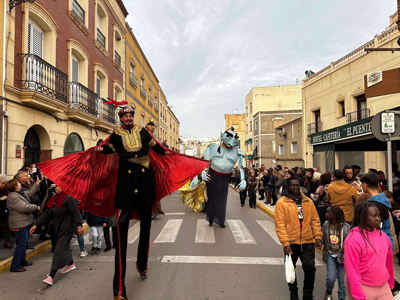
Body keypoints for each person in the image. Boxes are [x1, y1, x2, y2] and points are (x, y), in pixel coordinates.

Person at [95, 107, 168, 298]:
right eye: (125, 115)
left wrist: (170, 154)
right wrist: (99, 149)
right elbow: (108, 149)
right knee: (120, 229)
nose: (129, 118)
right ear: (121, 118)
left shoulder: (143, 132)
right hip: (126, 183)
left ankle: (142, 264)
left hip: (145, 180)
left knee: (146, 226)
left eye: (130, 115)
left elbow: (157, 148)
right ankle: (119, 290)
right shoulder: (115, 135)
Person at [275, 177, 322, 300]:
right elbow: (280, 225)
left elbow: (315, 220)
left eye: (297, 185)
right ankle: (293, 292)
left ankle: (308, 294)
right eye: (292, 186)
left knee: (310, 268)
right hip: (291, 242)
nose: (295, 188)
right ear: (288, 187)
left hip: (307, 241)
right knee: (290, 269)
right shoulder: (281, 203)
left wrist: (317, 236)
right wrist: (285, 243)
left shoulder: (308, 202)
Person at [31, 186, 83, 285]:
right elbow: (46, 213)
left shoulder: (69, 198)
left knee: (58, 250)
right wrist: (36, 224)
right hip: (56, 229)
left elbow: (76, 213)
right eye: (55, 186)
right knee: (64, 247)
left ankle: (51, 276)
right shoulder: (54, 198)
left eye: (59, 186)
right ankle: (71, 264)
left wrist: (79, 225)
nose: (56, 188)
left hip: (67, 229)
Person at [344, 202, 394, 300]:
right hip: (362, 286)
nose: (378, 218)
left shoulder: (383, 236)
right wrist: (359, 296)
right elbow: (352, 270)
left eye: (378, 215)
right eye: (374, 216)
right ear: (362, 218)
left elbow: (389, 262)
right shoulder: (353, 239)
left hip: (383, 286)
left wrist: (390, 284)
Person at [201, 127, 246, 228]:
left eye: (235, 137)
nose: (232, 139)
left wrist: (243, 179)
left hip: (225, 178)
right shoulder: (212, 147)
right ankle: (211, 219)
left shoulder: (238, 153)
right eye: (229, 136)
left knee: (222, 200)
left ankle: (221, 220)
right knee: (211, 198)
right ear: (222, 136)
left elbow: (240, 169)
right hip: (211, 176)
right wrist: (202, 171)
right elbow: (204, 163)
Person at [6, 177, 41, 272]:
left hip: (23, 223)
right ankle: (15, 266)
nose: (20, 184)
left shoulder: (19, 193)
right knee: (21, 245)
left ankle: (23, 261)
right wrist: (37, 207)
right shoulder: (13, 197)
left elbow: (30, 193)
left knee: (23, 243)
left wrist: (37, 183)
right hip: (19, 224)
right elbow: (24, 208)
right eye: (18, 183)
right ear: (15, 187)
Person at [321, 206, 350, 300]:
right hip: (330, 254)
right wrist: (319, 242)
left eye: (328, 212)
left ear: (334, 214)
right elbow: (323, 237)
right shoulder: (326, 225)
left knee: (342, 280)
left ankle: (341, 297)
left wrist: (345, 257)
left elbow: (348, 243)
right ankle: (328, 292)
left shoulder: (346, 227)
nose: (326, 214)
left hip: (342, 257)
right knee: (330, 277)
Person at [360, 173, 394, 249]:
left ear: (365, 185)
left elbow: (375, 227)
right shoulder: (383, 200)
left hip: (378, 244)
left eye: (361, 184)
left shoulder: (373, 205)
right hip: (385, 241)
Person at [0, 174, 12, 249]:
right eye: (2, 183)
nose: (3, 185)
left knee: (6, 225)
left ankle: (7, 241)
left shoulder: (6, 190)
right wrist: (1, 198)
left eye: (5, 183)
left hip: (4, 210)